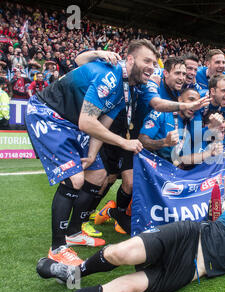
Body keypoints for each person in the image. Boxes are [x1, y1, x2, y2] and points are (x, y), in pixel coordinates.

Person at [36, 165, 225, 292]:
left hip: (191, 270)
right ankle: (73, 275)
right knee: (121, 253)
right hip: (189, 236)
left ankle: (66, 290)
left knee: (125, 290)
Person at [25, 39, 159, 266]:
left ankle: (75, 232)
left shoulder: (126, 88)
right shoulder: (111, 77)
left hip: (72, 123)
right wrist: (124, 143)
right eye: (146, 60)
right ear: (129, 60)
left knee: (97, 175)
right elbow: (87, 122)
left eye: (154, 63)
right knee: (75, 179)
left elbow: (101, 125)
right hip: (49, 114)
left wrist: (90, 154)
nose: (151, 66)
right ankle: (58, 247)